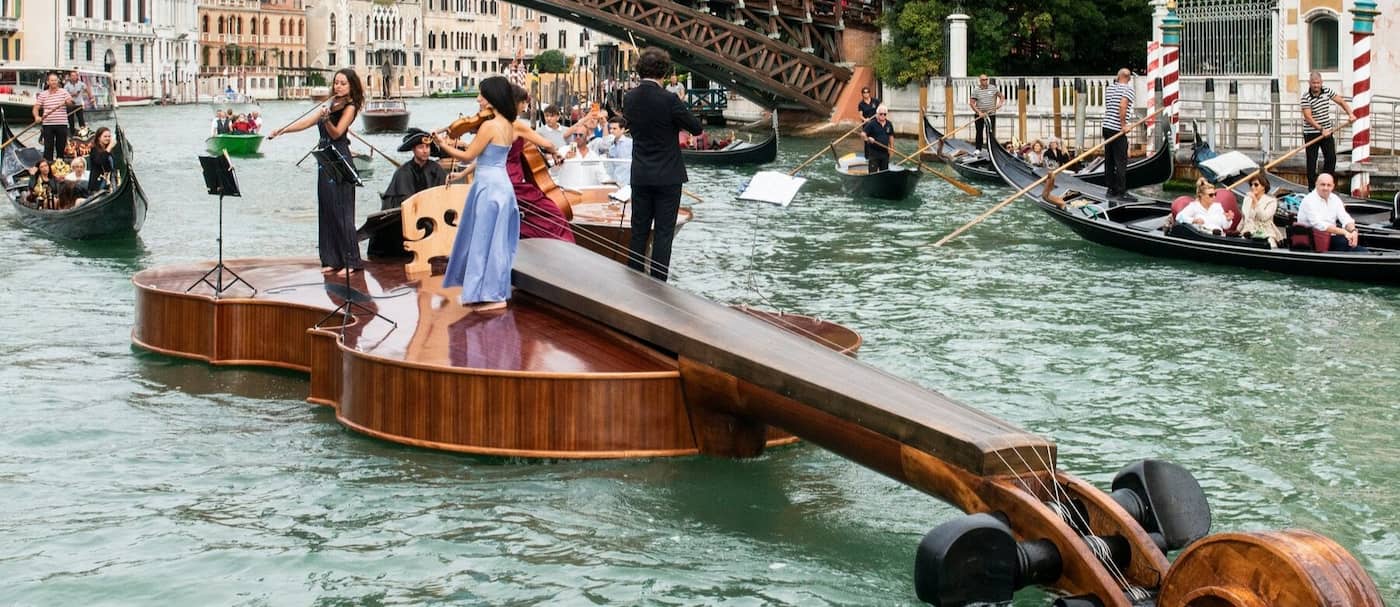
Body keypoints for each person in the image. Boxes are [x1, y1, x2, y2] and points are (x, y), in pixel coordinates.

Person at [268, 67, 366, 277]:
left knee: (342, 211)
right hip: (324, 158)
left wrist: (327, 119)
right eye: (336, 82)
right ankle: (331, 258)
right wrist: (283, 130)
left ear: (351, 87)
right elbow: (307, 122)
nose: (337, 86)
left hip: (338, 157)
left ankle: (351, 261)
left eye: (342, 83)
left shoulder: (350, 106)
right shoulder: (331, 103)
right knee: (327, 208)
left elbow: (338, 132)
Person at [435, 76, 520, 310]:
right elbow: (488, 158)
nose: (478, 99)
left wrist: (441, 144)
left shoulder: (489, 126)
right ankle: (492, 291)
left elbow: (468, 155)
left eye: (481, 95)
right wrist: (462, 175)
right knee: (496, 242)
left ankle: (491, 295)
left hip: (488, 187)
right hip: (500, 185)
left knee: (482, 241)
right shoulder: (507, 124)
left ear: (492, 98)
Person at [623, 46, 704, 281]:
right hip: (668, 176)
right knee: (663, 234)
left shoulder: (629, 98)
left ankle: (634, 280)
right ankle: (658, 285)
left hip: (640, 174)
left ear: (640, 71)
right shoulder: (669, 99)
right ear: (665, 71)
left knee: (638, 231)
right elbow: (696, 128)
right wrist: (677, 110)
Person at [505, 84, 575, 243]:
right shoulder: (516, 125)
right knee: (555, 218)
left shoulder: (497, 124)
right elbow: (547, 144)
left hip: (502, 179)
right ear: (517, 102)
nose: (526, 106)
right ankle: (562, 251)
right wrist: (555, 151)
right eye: (524, 102)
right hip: (515, 182)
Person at [1300, 71, 1356, 190]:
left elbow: (1341, 101)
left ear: (1321, 83)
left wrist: (1350, 114)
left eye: (1318, 83)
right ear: (1309, 83)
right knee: (1312, 161)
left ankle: (1326, 183)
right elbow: (1308, 117)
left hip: (1327, 130)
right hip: (1311, 132)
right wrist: (1321, 129)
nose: (1316, 85)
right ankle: (1311, 188)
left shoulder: (1327, 91)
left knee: (1331, 157)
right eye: (1314, 83)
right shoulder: (1305, 97)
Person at [1297, 173, 1364, 252]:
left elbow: (1345, 217)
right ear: (1316, 185)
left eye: (1329, 185)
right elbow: (1318, 224)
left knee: (1356, 244)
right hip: (1312, 239)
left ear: (1333, 186)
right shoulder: (1309, 200)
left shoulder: (1335, 199)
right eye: (1323, 184)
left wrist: (1353, 231)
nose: (1326, 188)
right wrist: (1344, 232)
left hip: (1330, 238)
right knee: (1345, 243)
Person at [1102, 68, 1135, 201]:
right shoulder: (1128, 90)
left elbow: (1110, 106)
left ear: (1118, 76)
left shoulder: (1109, 88)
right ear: (1129, 78)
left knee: (1109, 159)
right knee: (1121, 161)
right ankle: (1121, 192)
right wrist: (1123, 126)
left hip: (1106, 127)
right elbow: (1122, 106)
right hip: (1117, 129)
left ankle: (1111, 189)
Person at [33, 72, 72, 163]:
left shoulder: (64, 92)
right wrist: (36, 116)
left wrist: (68, 102)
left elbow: (70, 103)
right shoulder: (43, 94)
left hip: (61, 124)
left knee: (60, 147)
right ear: (48, 82)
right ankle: (48, 165)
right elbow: (36, 108)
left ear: (58, 81)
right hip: (48, 124)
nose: (54, 82)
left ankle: (60, 165)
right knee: (48, 147)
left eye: (55, 80)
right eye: (52, 80)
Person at [1238, 177, 1285, 248]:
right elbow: (1244, 218)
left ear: (1264, 187)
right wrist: (1237, 231)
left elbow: (1264, 217)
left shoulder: (1271, 201)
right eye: (1251, 185)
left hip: (1265, 233)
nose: (1252, 187)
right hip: (1247, 232)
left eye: (1256, 185)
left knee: (1269, 245)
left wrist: (1255, 201)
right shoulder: (1247, 199)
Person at [968, 74, 1004, 152]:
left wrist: (999, 104)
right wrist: (979, 112)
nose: (985, 81)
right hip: (979, 115)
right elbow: (972, 103)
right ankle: (978, 149)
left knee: (990, 132)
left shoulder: (993, 88)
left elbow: (1001, 96)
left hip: (991, 115)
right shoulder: (976, 90)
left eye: (986, 79)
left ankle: (990, 149)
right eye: (983, 80)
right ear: (980, 81)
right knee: (979, 132)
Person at [861, 104, 894, 172]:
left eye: (885, 114)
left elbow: (891, 136)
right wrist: (868, 139)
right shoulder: (872, 124)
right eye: (881, 114)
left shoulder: (889, 124)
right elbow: (863, 134)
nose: (883, 116)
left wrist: (892, 148)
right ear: (877, 114)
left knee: (884, 173)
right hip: (874, 153)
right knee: (873, 173)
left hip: (885, 153)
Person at [86, 127, 116, 193]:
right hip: (98, 182)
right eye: (105, 136)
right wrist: (109, 147)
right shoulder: (94, 149)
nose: (107, 138)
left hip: (109, 180)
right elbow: (99, 161)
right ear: (99, 138)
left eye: (109, 136)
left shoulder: (108, 149)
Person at [605, 116, 633, 185]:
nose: (611, 131)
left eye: (614, 129)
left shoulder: (630, 143)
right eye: (610, 128)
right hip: (614, 182)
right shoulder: (610, 145)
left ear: (622, 130)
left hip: (627, 183)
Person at [64, 70, 88, 135]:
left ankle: (84, 133)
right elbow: (65, 95)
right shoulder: (67, 85)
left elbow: (87, 89)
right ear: (70, 77)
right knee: (71, 120)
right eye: (72, 76)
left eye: (75, 75)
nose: (74, 77)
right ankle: (72, 133)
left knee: (81, 119)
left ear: (77, 76)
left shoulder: (81, 84)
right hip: (70, 105)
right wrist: (72, 95)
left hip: (78, 105)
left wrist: (91, 97)